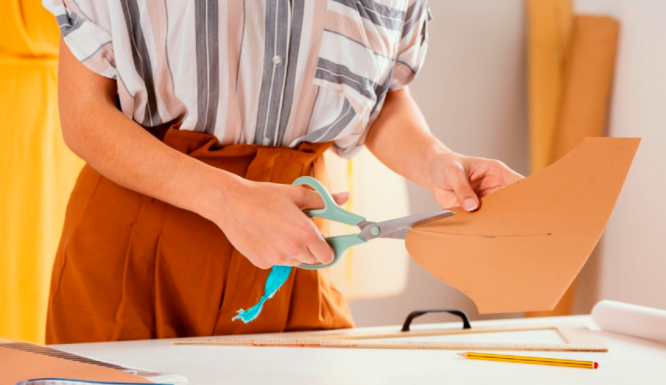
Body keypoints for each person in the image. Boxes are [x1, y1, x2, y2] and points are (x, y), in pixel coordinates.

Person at [43, 0, 523, 344]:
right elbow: (83, 117)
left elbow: (381, 100)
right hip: (137, 248)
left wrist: (437, 161)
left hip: (295, 252)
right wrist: (228, 200)